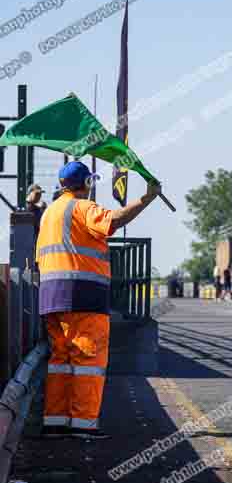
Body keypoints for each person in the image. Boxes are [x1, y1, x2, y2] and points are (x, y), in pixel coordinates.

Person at [38, 161, 161, 438]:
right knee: (87, 360)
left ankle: (55, 422)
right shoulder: (82, 207)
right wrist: (147, 198)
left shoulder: (50, 212)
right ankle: (83, 424)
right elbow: (113, 222)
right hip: (83, 295)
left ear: (61, 185)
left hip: (51, 296)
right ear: (87, 184)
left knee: (61, 360)